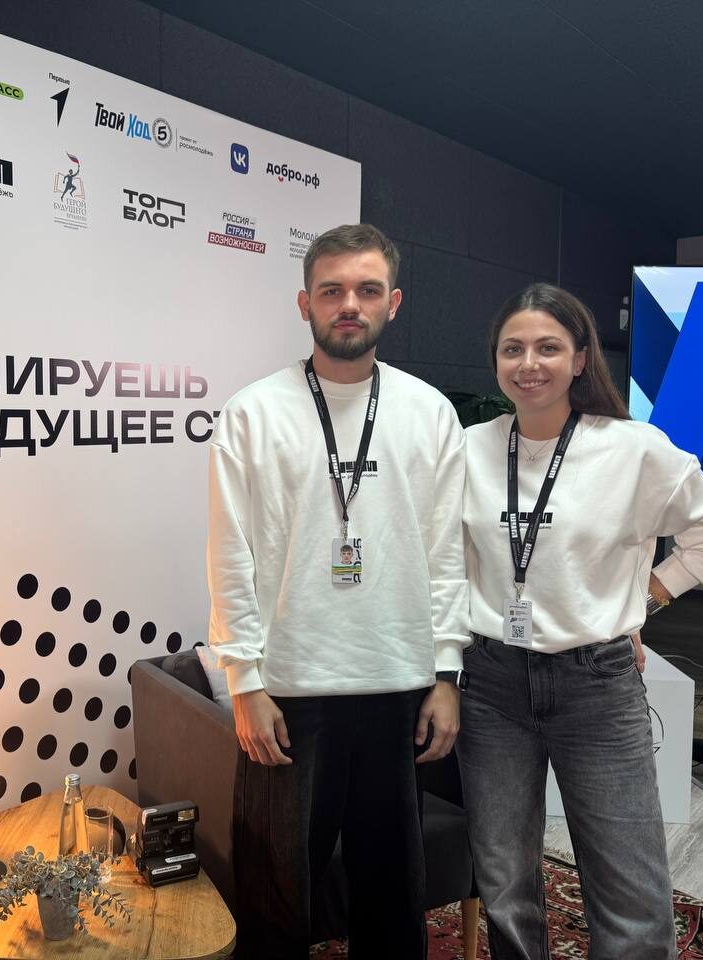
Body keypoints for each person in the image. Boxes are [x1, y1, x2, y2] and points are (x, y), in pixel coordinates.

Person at [456, 283, 703, 960]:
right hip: (491, 682)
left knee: (629, 885)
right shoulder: (468, 449)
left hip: (596, 683)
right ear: (496, 360)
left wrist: (646, 600)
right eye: (513, 349)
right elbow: (449, 562)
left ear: (581, 359)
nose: (529, 363)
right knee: (502, 878)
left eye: (548, 348)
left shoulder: (632, 449)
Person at [206, 223, 469, 959]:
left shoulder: (429, 412)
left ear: (394, 302)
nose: (349, 304)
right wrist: (243, 681)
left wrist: (447, 674)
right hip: (290, 690)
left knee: (392, 891)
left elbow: (448, 553)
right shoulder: (253, 413)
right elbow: (229, 553)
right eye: (332, 291)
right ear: (305, 304)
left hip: (399, 683)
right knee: (276, 888)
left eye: (366, 290)